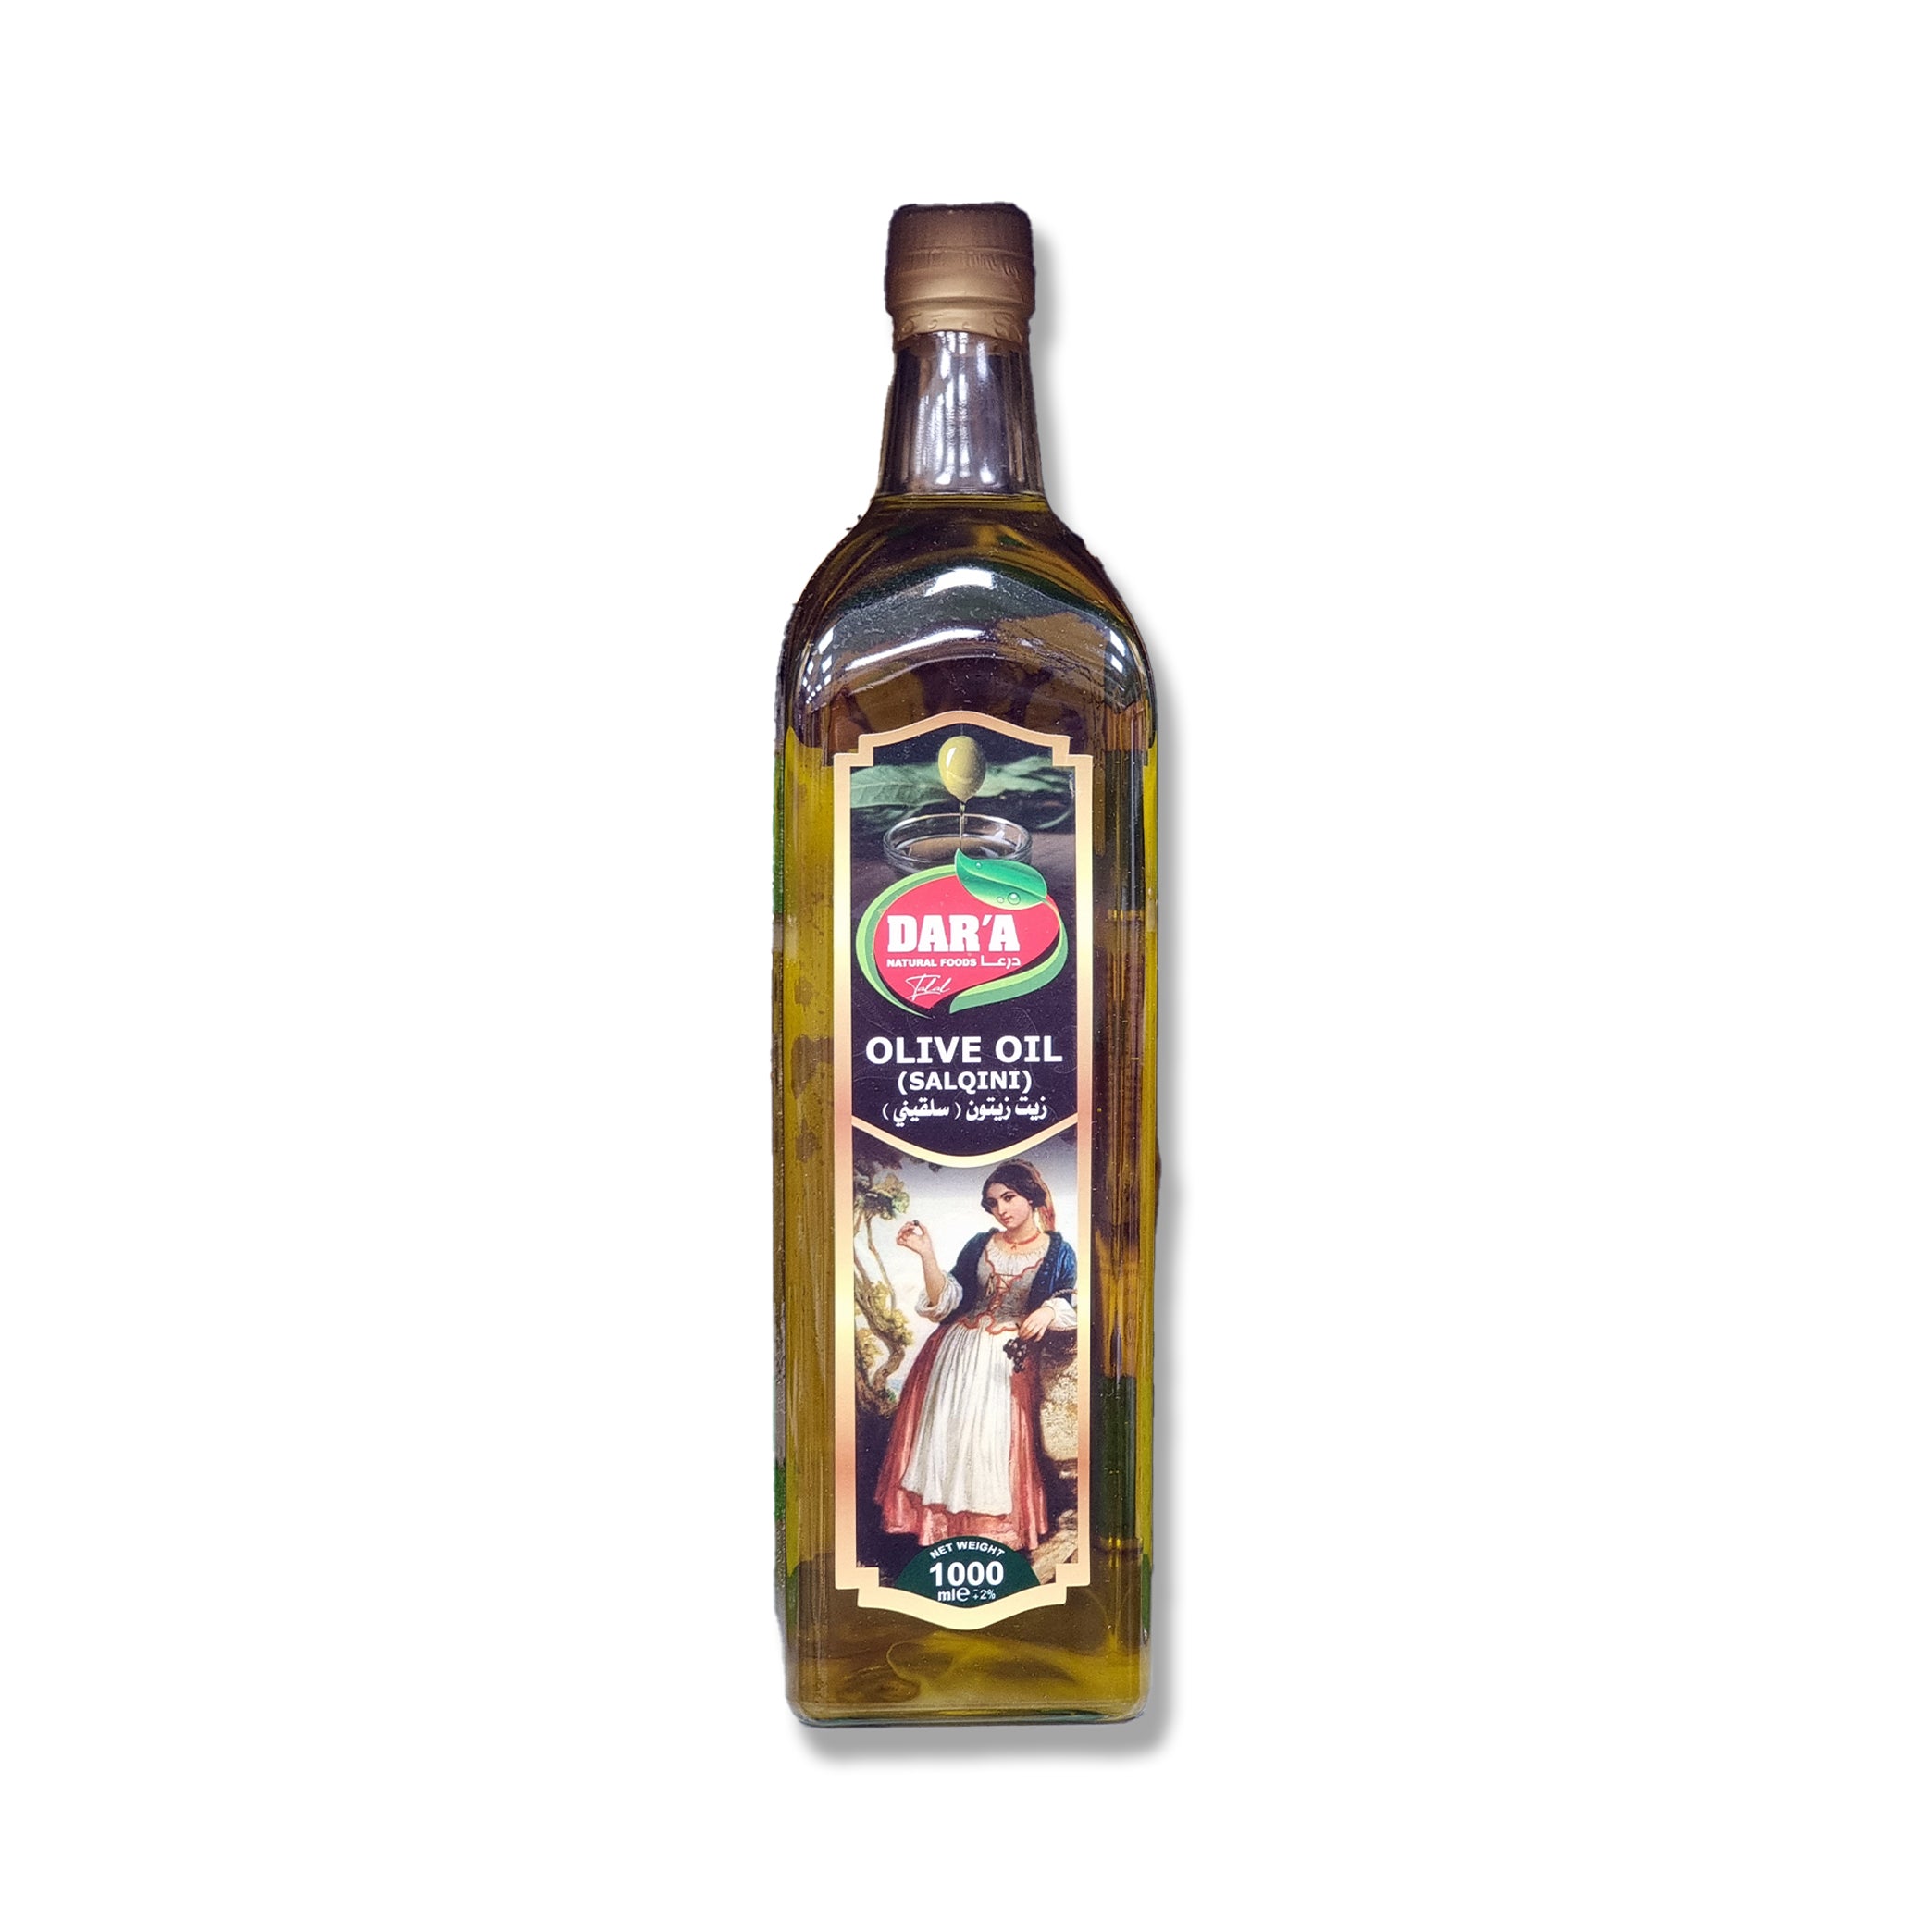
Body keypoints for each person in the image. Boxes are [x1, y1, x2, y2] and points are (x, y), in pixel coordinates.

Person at [874, 1158, 1076, 1551]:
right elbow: (946, 1299)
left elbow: (1069, 1298)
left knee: (988, 1446)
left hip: (1005, 1362)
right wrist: (926, 1255)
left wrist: (1049, 1311)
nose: (1001, 1209)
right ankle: (941, 1534)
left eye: (1009, 1197)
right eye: (993, 1202)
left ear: (1030, 1197)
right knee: (946, 1442)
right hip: (954, 1356)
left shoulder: (1058, 1251)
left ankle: (987, 1535)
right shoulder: (980, 1244)